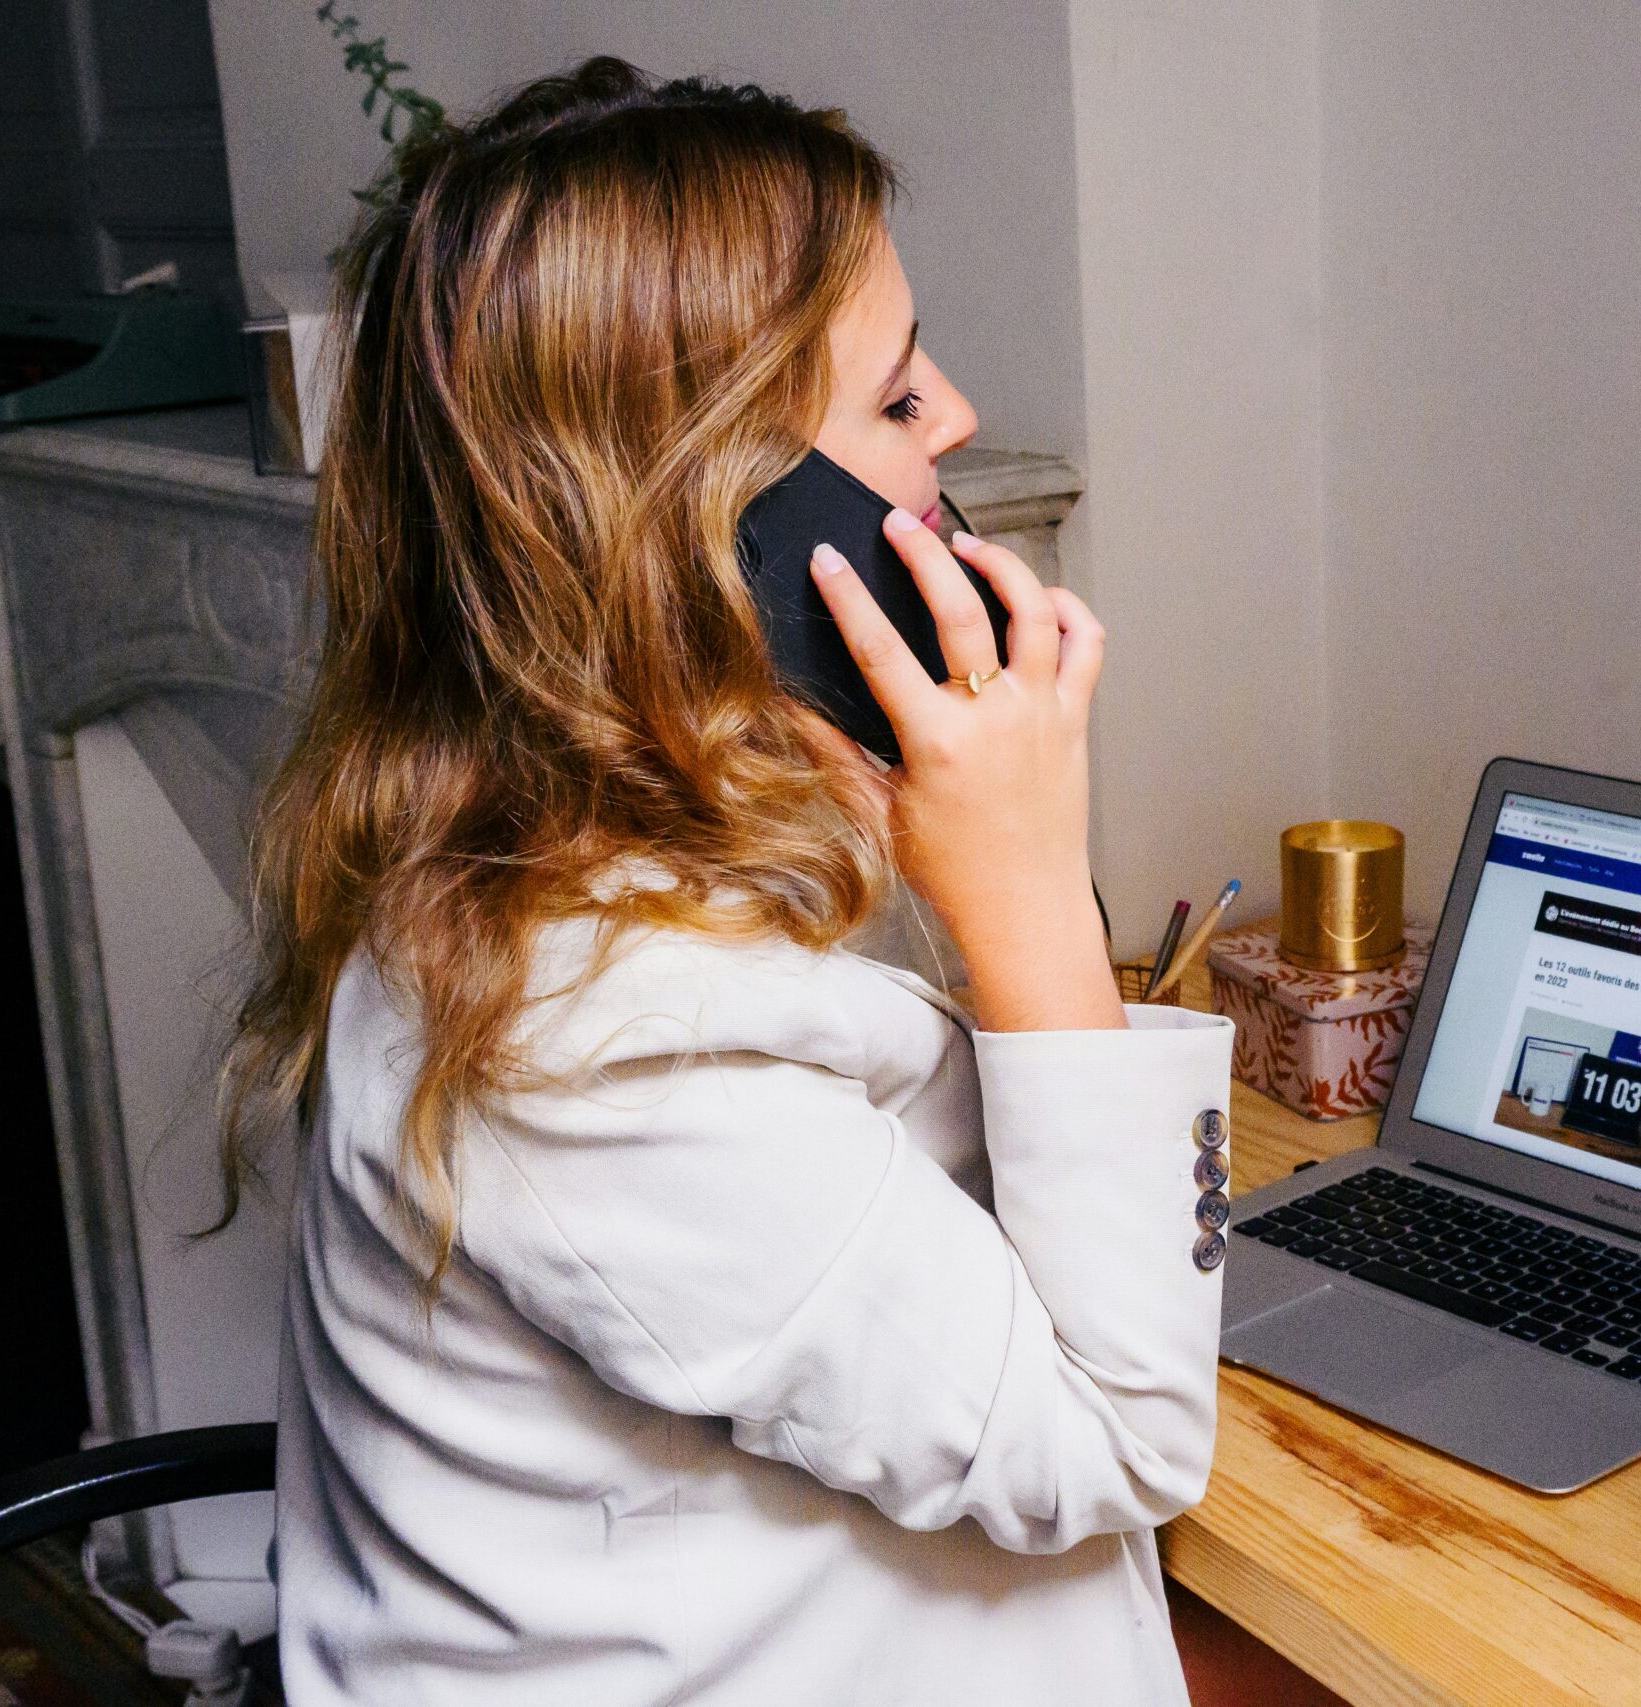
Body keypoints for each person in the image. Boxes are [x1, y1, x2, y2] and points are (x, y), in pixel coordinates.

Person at [220, 56, 1238, 1707]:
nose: (961, 419)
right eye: (898, 401)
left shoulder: (514, 858)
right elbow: (1112, 1446)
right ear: (718, 540)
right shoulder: (589, 1046)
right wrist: (1033, 894)